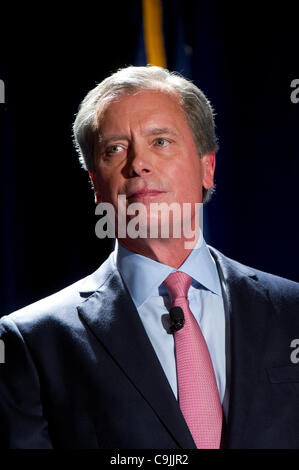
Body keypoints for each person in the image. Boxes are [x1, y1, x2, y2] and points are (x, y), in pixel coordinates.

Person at [0, 66, 298, 449]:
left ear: (207, 167)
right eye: (115, 149)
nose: (138, 163)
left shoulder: (291, 311)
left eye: (160, 141)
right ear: (96, 186)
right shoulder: (33, 342)